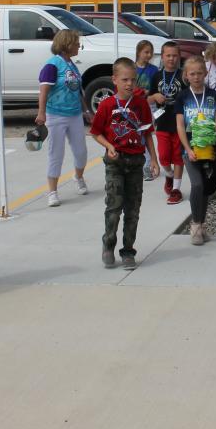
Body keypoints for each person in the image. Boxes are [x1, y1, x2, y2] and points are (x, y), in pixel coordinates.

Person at [91, 58, 159, 270]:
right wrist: (108, 146)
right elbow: (96, 132)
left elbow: (147, 134)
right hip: (115, 162)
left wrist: (154, 159)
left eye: (133, 80)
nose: (129, 84)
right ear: (114, 80)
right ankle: (108, 244)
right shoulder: (106, 105)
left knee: (133, 209)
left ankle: (128, 250)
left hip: (136, 162)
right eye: (125, 80)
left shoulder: (141, 104)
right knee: (114, 206)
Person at [175, 56, 216, 245]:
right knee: (197, 185)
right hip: (190, 149)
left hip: (210, 149)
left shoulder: (213, 95)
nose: (196, 77)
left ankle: (202, 225)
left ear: (205, 73)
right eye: (192, 74)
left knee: (206, 187)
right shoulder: (183, 97)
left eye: (200, 73)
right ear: (186, 75)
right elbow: (180, 126)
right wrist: (187, 148)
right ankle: (195, 225)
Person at [36, 29, 90, 207]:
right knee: (56, 153)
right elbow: (44, 91)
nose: (79, 46)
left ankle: (78, 177)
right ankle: (52, 191)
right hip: (56, 115)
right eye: (76, 43)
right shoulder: (52, 65)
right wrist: (41, 112)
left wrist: (86, 110)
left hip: (74, 114)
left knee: (81, 151)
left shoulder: (72, 65)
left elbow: (78, 91)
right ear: (67, 44)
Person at [148, 40, 186, 205]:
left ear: (179, 57)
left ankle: (176, 189)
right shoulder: (156, 76)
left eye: (175, 55)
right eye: (168, 55)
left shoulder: (183, 75)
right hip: (162, 122)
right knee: (163, 156)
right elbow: (148, 98)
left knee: (178, 156)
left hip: (179, 123)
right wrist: (154, 96)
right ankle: (169, 175)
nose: (171, 59)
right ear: (162, 57)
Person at [134, 39, 159, 181]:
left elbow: (155, 89)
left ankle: (148, 166)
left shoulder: (154, 70)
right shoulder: (131, 68)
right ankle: (141, 164)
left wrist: (147, 92)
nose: (149, 55)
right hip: (134, 106)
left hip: (149, 106)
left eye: (151, 52)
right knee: (138, 136)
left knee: (146, 134)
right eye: (146, 52)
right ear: (139, 52)